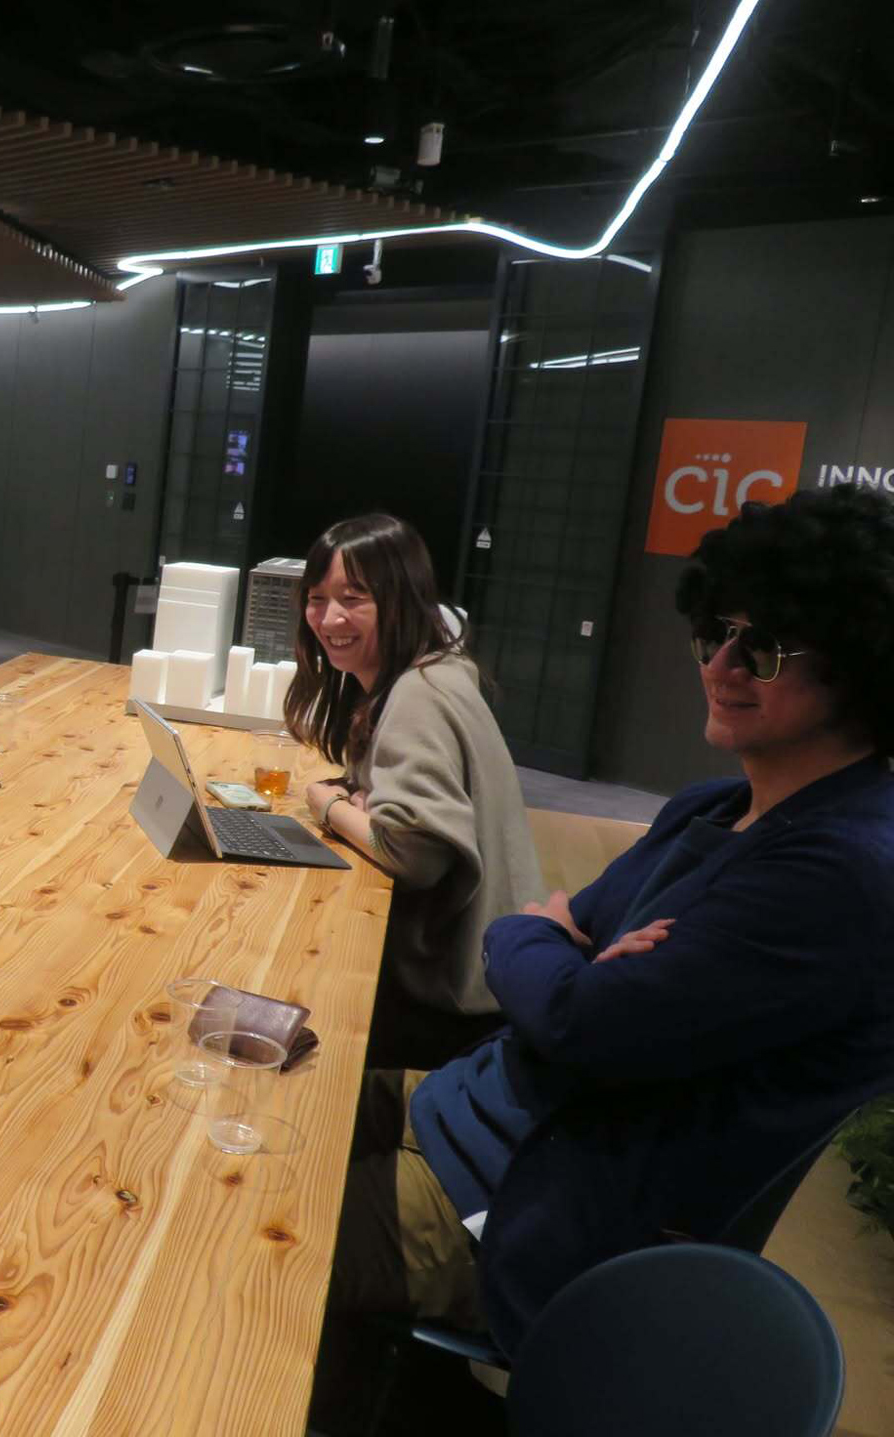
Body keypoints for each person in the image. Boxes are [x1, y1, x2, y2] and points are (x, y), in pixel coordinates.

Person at [315, 485, 894, 1423]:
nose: (724, 665)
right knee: (262, 1099)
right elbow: (540, 939)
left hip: (524, 1205)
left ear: (864, 665)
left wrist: (555, 955)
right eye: (715, 633)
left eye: (766, 649)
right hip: (470, 1105)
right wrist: (555, 951)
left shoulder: (841, 874)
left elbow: (578, 1016)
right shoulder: (712, 809)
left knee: (240, 1232)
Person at [285, 514, 541, 1068]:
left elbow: (413, 856)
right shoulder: (436, 669)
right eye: (317, 598)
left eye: (354, 598)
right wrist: (365, 805)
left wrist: (327, 804)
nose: (329, 618)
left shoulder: (418, 695)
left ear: (400, 599)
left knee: (287, 993)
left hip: (454, 1006)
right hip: (489, 976)